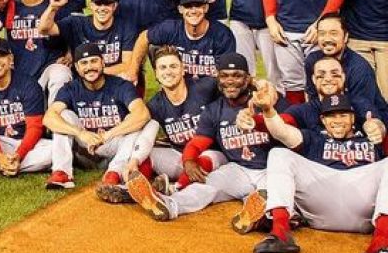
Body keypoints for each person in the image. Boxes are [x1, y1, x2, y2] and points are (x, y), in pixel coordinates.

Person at [125, 53, 278, 229]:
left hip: (270, 168)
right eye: (225, 76)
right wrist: (188, 160)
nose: (230, 81)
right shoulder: (214, 110)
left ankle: (262, 215)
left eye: (237, 75)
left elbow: (289, 124)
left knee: (275, 195)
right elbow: (198, 142)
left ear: (248, 79)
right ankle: (169, 204)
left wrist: (263, 104)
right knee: (206, 185)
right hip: (238, 168)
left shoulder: (267, 100)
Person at [247, 90, 388, 253]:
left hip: (363, 207)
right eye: (331, 116)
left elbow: (380, 130)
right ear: (323, 120)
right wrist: (268, 111)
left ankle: (381, 243)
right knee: (279, 154)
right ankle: (280, 232)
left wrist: (380, 127)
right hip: (321, 199)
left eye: (343, 115)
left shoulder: (372, 139)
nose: (337, 120)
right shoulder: (315, 138)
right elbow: (282, 132)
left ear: (353, 118)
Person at [45, 42, 149, 201]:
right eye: (84, 63)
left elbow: (143, 114)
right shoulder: (70, 88)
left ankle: (114, 173)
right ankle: (62, 172)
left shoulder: (121, 85)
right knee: (63, 115)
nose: (89, 67)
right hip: (85, 150)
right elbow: (48, 118)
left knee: (135, 121)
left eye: (94, 61)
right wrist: (80, 132)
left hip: (113, 149)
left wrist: (108, 135)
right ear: (77, 68)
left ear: (103, 63)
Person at [0, 37, 55, 190]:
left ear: (10, 58)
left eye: (2, 55)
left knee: (55, 149)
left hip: (26, 143)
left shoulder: (29, 85)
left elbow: (35, 128)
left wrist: (19, 155)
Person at [125, 45, 222, 187]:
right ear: (156, 74)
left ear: (183, 70)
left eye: (173, 66)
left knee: (208, 157)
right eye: (163, 68)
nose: (168, 71)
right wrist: (134, 161)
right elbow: (145, 134)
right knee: (144, 156)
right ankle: (135, 189)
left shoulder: (206, 87)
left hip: (212, 155)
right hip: (180, 156)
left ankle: (174, 189)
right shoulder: (155, 105)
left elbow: (233, 83)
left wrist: (256, 83)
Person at [129, 0, 235, 81]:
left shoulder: (222, 35)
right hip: (179, 87)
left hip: (210, 91)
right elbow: (144, 37)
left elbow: (226, 75)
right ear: (180, 9)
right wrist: (133, 71)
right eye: (188, 6)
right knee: (154, 46)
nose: (193, 11)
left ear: (205, 8)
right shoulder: (171, 28)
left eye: (198, 5)